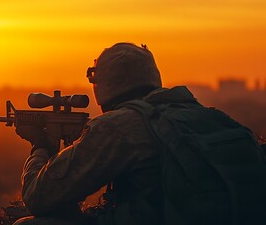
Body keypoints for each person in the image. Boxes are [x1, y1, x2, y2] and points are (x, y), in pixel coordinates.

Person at [13, 42, 266, 225]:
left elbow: (40, 197)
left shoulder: (119, 126)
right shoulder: (201, 115)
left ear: (103, 83)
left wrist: (40, 146)